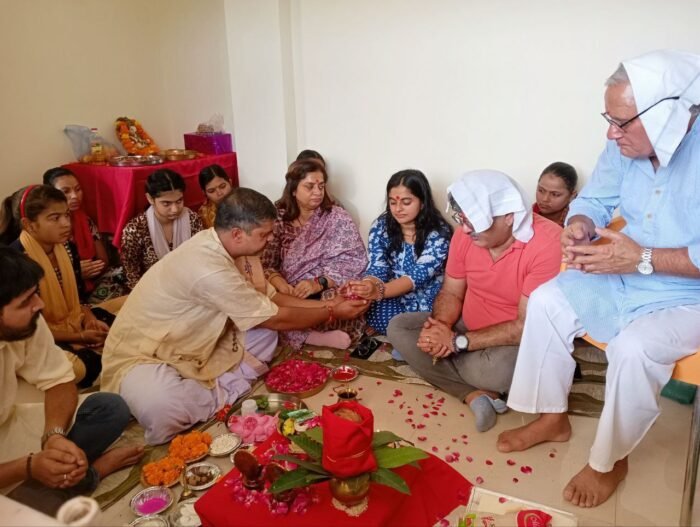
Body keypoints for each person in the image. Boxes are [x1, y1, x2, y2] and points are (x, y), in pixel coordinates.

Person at [497, 50, 700, 509]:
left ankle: (609, 461)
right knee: (547, 301)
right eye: (609, 119)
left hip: (688, 294)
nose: (611, 133)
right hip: (626, 270)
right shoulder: (623, 146)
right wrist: (579, 225)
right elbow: (595, 199)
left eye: (621, 122)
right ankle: (553, 418)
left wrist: (642, 257)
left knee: (633, 349)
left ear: (669, 116)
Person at [101, 187, 369, 445]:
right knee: (162, 408)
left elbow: (271, 300)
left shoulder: (229, 247)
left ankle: (209, 386)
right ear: (238, 234)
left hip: (197, 341)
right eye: (264, 234)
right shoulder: (210, 266)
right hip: (145, 355)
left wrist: (331, 304)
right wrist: (331, 311)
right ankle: (220, 388)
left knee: (265, 335)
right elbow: (274, 317)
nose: (270, 240)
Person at [387, 170, 562, 432]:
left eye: (476, 222)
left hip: (512, 342)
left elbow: (524, 327)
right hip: (465, 325)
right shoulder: (465, 234)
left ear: (509, 217)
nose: (466, 229)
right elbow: (451, 292)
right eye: (463, 220)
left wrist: (457, 343)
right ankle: (473, 394)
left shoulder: (548, 244)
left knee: (495, 372)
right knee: (398, 327)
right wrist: (441, 327)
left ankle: (437, 365)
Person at [0, 247, 143, 516]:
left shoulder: (27, 321)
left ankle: (52, 484)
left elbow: (59, 380)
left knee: (109, 408)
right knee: (24, 515)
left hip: (10, 429)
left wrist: (53, 436)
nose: (39, 305)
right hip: (12, 465)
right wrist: (29, 467)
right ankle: (90, 474)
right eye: (25, 301)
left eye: (35, 294)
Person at [0, 185, 110, 388]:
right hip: (36, 335)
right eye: (55, 218)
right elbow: (30, 325)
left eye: (66, 215)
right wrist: (79, 337)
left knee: (124, 319)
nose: (66, 223)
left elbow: (79, 296)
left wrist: (89, 319)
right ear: (29, 224)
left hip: (72, 320)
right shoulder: (17, 261)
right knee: (76, 368)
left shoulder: (67, 247)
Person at [261, 159, 367, 350]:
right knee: (266, 304)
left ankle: (302, 333)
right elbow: (266, 264)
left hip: (325, 286)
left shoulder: (337, 216)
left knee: (347, 298)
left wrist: (318, 283)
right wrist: (280, 283)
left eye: (321, 186)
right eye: (310, 186)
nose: (318, 192)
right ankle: (311, 336)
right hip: (289, 290)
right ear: (294, 189)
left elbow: (354, 261)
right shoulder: (278, 219)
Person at [346, 169, 452, 347]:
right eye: (393, 202)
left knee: (438, 315)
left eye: (406, 202)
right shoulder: (381, 226)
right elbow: (377, 266)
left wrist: (378, 291)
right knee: (372, 309)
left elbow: (417, 277)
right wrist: (369, 285)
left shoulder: (439, 232)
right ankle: (405, 336)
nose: (398, 209)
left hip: (428, 295)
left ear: (422, 202)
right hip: (392, 292)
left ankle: (409, 338)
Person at [43, 167, 124, 303]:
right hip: (62, 287)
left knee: (121, 273)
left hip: (92, 281)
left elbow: (103, 260)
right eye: (66, 191)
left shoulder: (85, 220)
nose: (74, 196)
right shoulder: (46, 227)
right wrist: (73, 272)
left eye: (78, 189)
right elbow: (44, 274)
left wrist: (90, 270)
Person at [120, 169, 203, 290]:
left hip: (190, 286)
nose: (175, 209)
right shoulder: (135, 229)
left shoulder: (192, 219)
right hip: (152, 290)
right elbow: (131, 274)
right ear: (150, 199)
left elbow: (200, 258)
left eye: (179, 201)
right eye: (166, 203)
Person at [533, 161, 578, 227]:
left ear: (572, 195)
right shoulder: (526, 215)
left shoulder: (574, 224)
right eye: (541, 190)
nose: (545, 199)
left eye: (555, 194)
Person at [197, 164, 234, 229]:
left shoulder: (245, 201)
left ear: (230, 183)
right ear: (204, 193)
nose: (219, 193)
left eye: (222, 186)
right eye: (211, 191)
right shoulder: (204, 214)